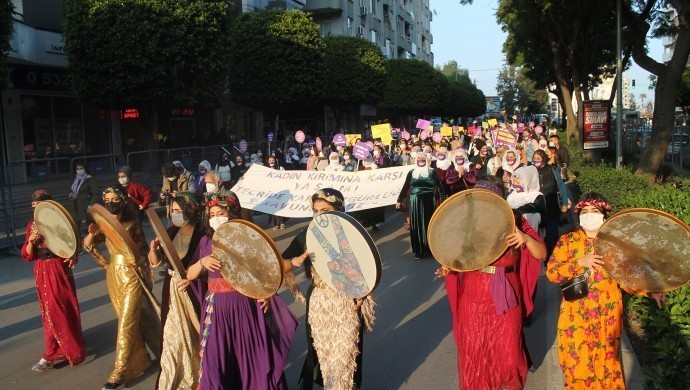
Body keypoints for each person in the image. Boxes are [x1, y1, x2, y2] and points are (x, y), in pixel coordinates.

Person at [546, 192, 665, 389]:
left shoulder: (615, 245)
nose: (589, 215)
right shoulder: (567, 241)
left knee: (606, 365)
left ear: (604, 214)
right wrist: (579, 263)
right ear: (579, 215)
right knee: (576, 365)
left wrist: (651, 290)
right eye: (585, 211)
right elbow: (551, 273)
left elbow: (629, 277)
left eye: (595, 211)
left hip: (607, 315)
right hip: (575, 315)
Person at [437, 178, 546, 389]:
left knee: (509, 353)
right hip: (474, 294)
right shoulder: (468, 225)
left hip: (507, 294)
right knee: (475, 350)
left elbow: (541, 253)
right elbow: (460, 261)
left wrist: (526, 239)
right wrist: (450, 268)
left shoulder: (515, 221)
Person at [186, 193, 298, 389]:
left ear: (232, 214)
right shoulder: (205, 241)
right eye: (211, 214)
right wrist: (202, 262)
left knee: (247, 359)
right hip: (216, 310)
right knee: (213, 363)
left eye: (220, 213)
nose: (215, 218)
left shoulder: (248, 240)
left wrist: (267, 294)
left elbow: (269, 271)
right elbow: (190, 275)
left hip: (244, 305)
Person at [283, 189, 375, 390]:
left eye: (325, 209)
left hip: (346, 301)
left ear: (338, 210)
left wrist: (363, 295)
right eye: (316, 210)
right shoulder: (306, 234)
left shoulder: (352, 233)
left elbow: (368, 269)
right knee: (323, 353)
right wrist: (293, 261)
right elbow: (279, 263)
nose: (319, 214)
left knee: (345, 355)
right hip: (319, 303)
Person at [83, 187, 161, 390]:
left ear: (123, 201)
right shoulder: (103, 225)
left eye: (115, 199)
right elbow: (88, 246)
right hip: (114, 276)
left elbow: (143, 251)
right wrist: (91, 235)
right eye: (107, 199)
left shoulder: (132, 223)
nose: (111, 203)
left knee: (126, 323)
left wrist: (140, 261)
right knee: (135, 319)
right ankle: (143, 360)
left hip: (131, 276)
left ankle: (117, 373)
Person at [21, 190, 86, 372]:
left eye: (39, 206)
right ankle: (56, 346)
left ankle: (56, 352)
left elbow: (72, 244)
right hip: (42, 269)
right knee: (48, 309)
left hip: (58, 268)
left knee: (61, 307)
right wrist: (32, 241)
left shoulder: (61, 223)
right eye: (33, 207)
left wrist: (72, 255)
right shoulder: (32, 226)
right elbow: (27, 254)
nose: (36, 210)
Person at [148, 192, 205, 389]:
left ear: (191, 210)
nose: (175, 214)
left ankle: (200, 375)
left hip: (195, 291)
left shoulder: (203, 235)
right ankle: (171, 378)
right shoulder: (170, 232)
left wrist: (194, 278)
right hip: (172, 291)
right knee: (172, 338)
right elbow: (157, 263)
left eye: (179, 211)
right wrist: (153, 250)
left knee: (196, 335)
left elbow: (209, 268)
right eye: (173, 211)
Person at [396, 151, 445, 259]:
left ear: (427, 159)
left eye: (423, 158)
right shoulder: (412, 172)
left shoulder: (432, 172)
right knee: (417, 225)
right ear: (416, 160)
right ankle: (419, 251)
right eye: (419, 158)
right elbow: (405, 187)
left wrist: (443, 201)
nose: (421, 160)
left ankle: (431, 249)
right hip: (415, 201)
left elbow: (440, 187)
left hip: (429, 201)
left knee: (429, 224)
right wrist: (399, 199)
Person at [532, 149, 569, 258]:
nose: (536, 160)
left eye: (538, 158)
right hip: (538, 208)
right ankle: (542, 256)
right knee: (539, 235)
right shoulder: (532, 171)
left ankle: (552, 257)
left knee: (552, 234)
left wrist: (565, 203)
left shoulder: (552, 169)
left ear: (544, 158)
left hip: (552, 206)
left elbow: (561, 186)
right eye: (534, 158)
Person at [506, 165, 545, 233]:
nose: (515, 184)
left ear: (527, 181)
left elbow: (543, 219)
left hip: (531, 232)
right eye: (514, 181)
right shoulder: (511, 195)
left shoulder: (535, 197)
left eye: (518, 182)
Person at [69, 161, 98, 231]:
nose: (79, 170)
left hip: (86, 206)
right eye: (77, 169)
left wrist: (90, 206)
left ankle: (93, 239)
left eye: (81, 168)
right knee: (75, 227)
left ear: (85, 169)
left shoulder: (89, 179)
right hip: (76, 206)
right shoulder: (76, 179)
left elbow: (95, 194)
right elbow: (73, 192)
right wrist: (71, 195)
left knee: (90, 226)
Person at [267, 156, 288, 229]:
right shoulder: (265, 170)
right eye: (270, 160)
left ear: (275, 160)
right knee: (273, 207)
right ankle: (276, 224)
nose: (271, 161)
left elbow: (287, 177)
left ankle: (282, 222)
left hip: (280, 190)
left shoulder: (280, 168)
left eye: (273, 160)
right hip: (270, 191)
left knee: (280, 206)